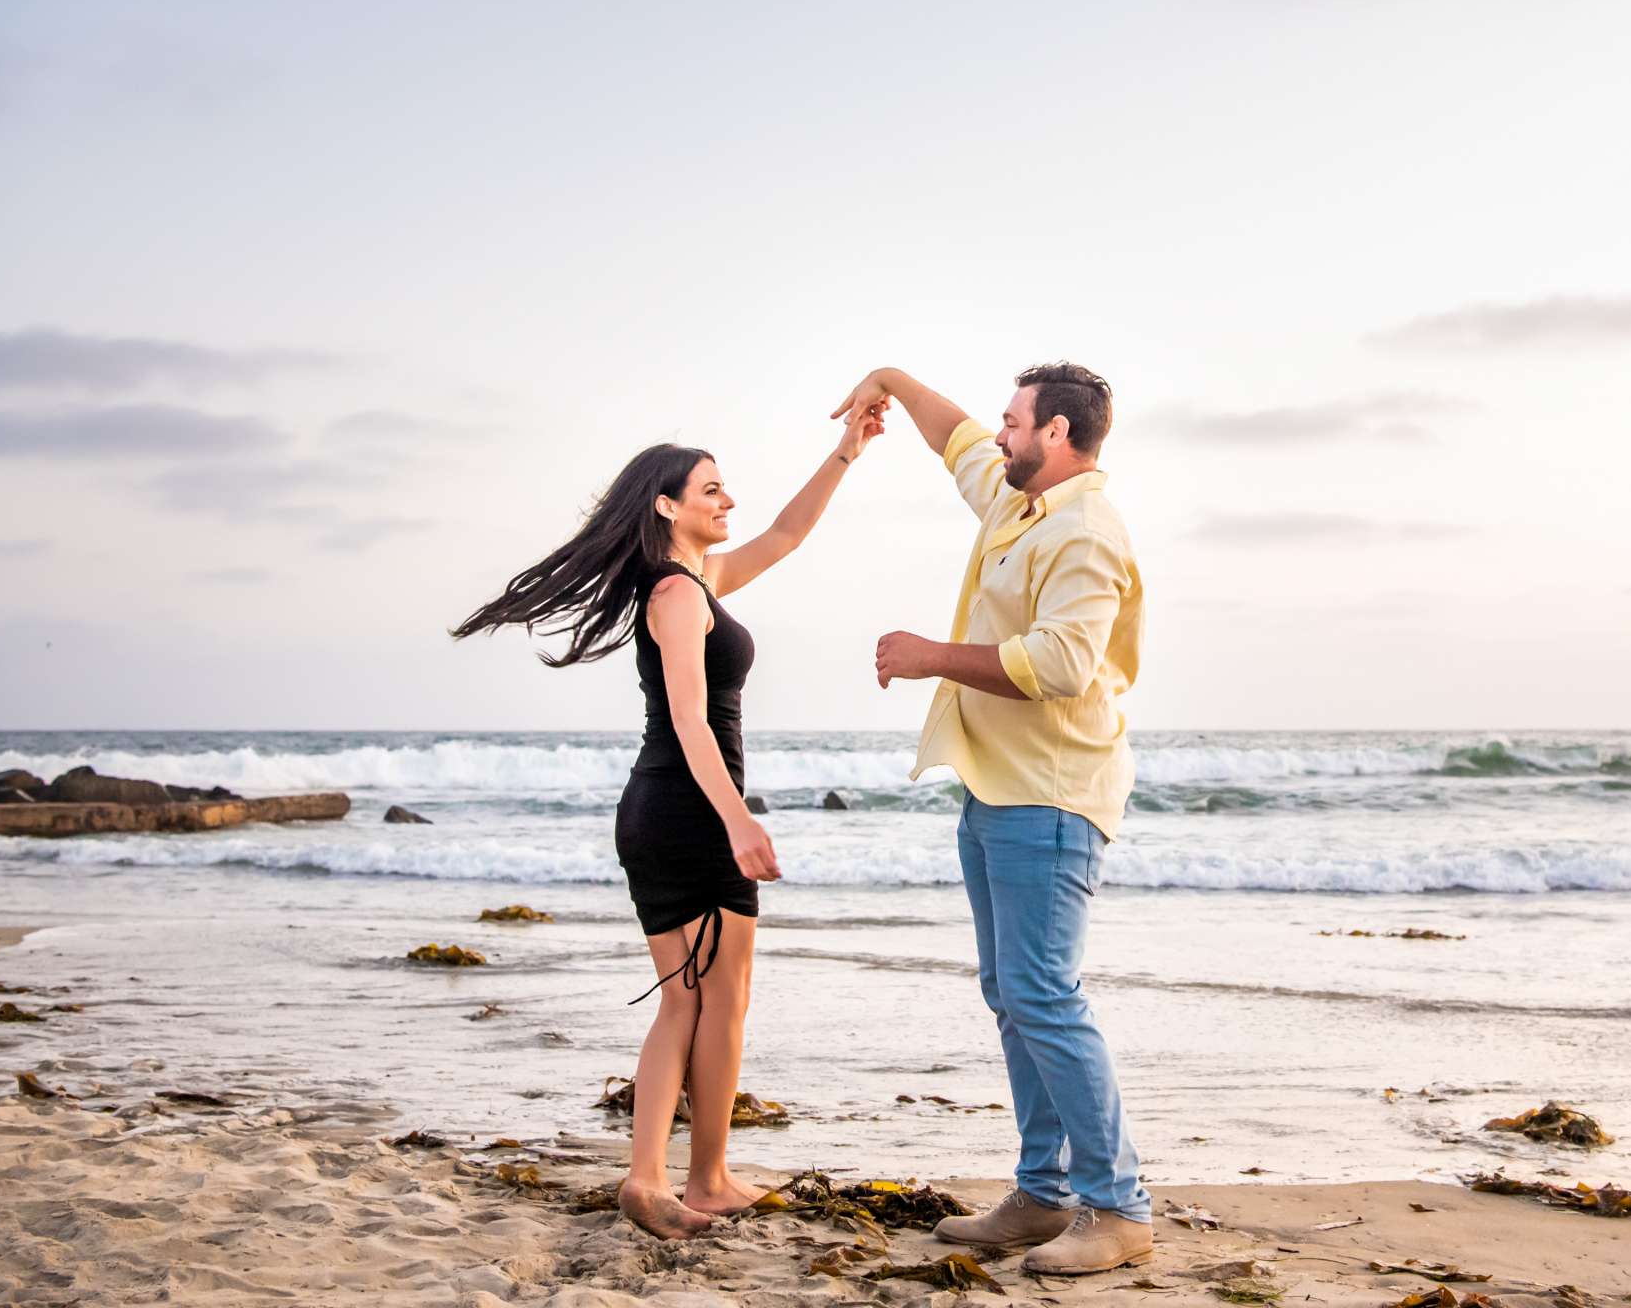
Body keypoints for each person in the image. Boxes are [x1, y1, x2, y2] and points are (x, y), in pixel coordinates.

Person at [449, 403, 888, 1238]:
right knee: (712, 1000)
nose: (728, 502)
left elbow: (788, 536)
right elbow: (690, 721)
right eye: (711, 491)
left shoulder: (695, 581)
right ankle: (698, 1178)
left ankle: (664, 1178)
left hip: (664, 807)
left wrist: (846, 451)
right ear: (667, 504)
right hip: (687, 809)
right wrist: (740, 822)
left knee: (692, 1002)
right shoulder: (679, 594)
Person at [829, 361, 1152, 1276]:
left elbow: (1061, 663)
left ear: (1055, 434)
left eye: (1015, 422)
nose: (999, 434)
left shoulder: (1086, 530)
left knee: (1045, 996)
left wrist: (932, 655)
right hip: (992, 787)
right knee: (1013, 997)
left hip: (1051, 794)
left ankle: (1119, 1208)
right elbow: (954, 437)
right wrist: (888, 378)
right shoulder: (1018, 502)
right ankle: (1042, 1195)